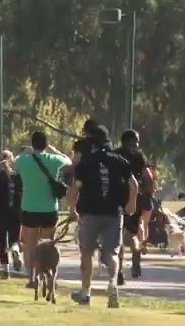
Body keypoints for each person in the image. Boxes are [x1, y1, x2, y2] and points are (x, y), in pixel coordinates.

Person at [68, 125, 138, 308]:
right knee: (112, 252)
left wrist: (71, 209)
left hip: (90, 212)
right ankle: (113, 284)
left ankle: (85, 292)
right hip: (114, 212)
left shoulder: (86, 163)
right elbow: (134, 184)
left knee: (86, 252)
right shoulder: (119, 160)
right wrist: (131, 204)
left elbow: (75, 189)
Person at [14, 131, 71, 288]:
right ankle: (48, 275)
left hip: (29, 206)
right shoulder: (53, 160)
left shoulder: (24, 161)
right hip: (49, 208)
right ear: (46, 144)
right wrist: (53, 150)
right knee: (47, 245)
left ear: (32, 144)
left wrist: (26, 152)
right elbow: (68, 162)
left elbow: (13, 164)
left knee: (30, 245)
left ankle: (32, 278)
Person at [115, 130, 154, 281]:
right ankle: (136, 252)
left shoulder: (115, 154)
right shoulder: (139, 156)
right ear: (133, 141)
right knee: (132, 234)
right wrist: (148, 196)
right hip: (135, 198)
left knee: (117, 235)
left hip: (118, 198)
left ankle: (118, 272)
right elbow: (148, 177)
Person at [0, 150, 22, 279]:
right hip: (16, 211)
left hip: (1, 211)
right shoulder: (18, 176)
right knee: (14, 238)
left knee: (2, 241)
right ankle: (15, 251)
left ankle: (6, 271)